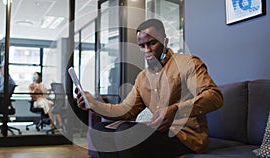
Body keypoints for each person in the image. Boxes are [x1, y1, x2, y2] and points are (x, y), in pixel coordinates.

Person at [75, 19, 224, 158]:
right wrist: (95, 104)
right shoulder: (142, 78)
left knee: (125, 131)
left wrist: (176, 110)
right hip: (158, 132)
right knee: (100, 130)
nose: (147, 50)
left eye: (152, 43)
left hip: (186, 137)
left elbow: (214, 96)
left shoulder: (187, 63)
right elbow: (126, 109)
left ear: (165, 41)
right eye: (142, 46)